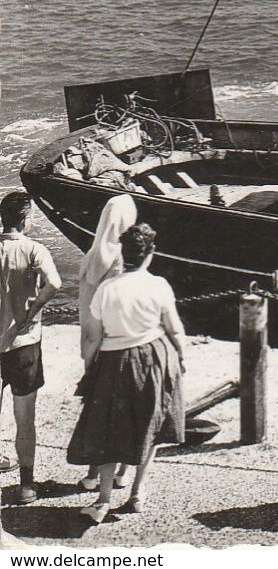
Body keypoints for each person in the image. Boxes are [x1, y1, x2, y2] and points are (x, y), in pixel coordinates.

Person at [67, 223, 186, 524]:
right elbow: (173, 329)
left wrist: (89, 366)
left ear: (123, 253)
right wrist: (181, 358)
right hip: (153, 355)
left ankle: (103, 499)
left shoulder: (107, 289)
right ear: (151, 253)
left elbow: (92, 337)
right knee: (151, 422)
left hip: (114, 360)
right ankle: (137, 493)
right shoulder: (158, 285)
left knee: (109, 427)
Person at [0, 193, 61, 505]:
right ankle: (26, 485)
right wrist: (32, 312)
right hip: (24, 346)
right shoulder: (34, 249)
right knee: (25, 418)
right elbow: (55, 283)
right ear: (24, 219)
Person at [74, 196, 138, 493]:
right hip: (120, 343)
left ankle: (92, 475)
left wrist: (87, 355)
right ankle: (124, 473)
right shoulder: (124, 259)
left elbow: (87, 311)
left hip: (94, 343)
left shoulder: (92, 255)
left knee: (97, 412)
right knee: (124, 411)